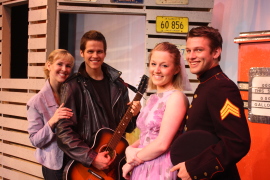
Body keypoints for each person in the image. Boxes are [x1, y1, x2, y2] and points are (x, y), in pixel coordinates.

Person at [56, 30, 141, 177]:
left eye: (99, 51)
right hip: (85, 167)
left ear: (105, 53)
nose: (95, 56)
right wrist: (91, 157)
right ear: (82, 53)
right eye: (90, 51)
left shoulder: (119, 86)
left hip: (112, 164)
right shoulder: (72, 86)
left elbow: (126, 127)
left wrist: (134, 115)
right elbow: (64, 132)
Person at [170, 26, 251, 180]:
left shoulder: (221, 86)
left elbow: (237, 142)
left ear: (216, 52)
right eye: (188, 50)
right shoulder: (207, 84)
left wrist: (195, 168)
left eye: (198, 50)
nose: (191, 56)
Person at [122, 42, 191, 180]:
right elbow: (145, 137)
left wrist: (131, 161)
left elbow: (162, 144)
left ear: (177, 69)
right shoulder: (152, 98)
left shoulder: (176, 97)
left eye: (164, 65)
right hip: (143, 163)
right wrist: (129, 149)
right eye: (153, 64)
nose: (157, 70)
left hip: (160, 166)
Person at [27, 49, 75, 180]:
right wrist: (52, 121)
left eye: (68, 66)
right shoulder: (36, 102)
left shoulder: (72, 95)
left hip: (75, 160)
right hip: (55, 166)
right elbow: (34, 140)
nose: (64, 69)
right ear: (49, 65)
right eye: (60, 64)